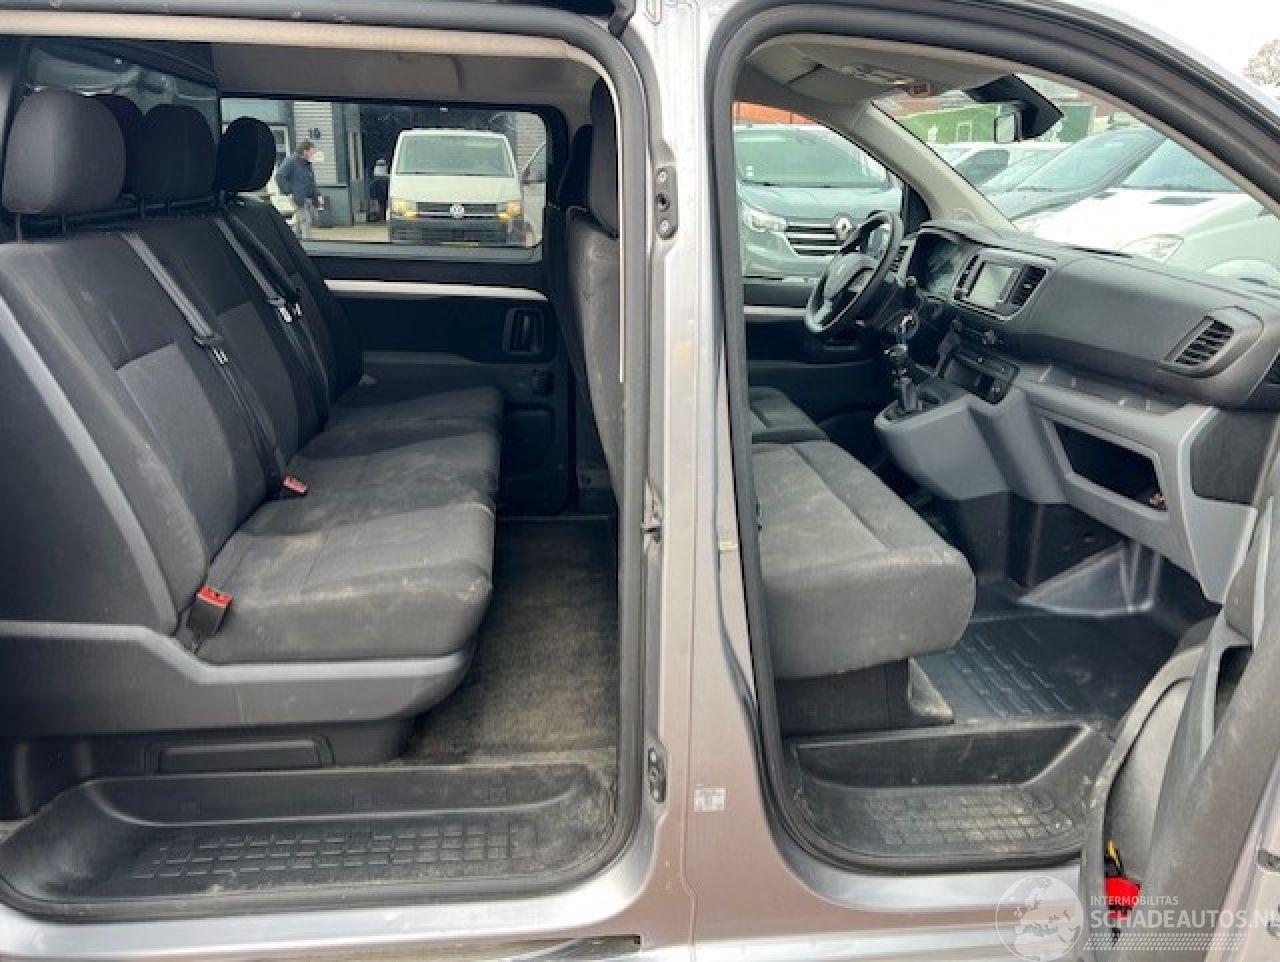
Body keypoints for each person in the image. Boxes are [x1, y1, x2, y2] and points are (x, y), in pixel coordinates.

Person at [274, 141, 324, 238]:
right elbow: (279, 176)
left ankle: (291, 239)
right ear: (305, 151)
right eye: (312, 152)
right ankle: (309, 243)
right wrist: (289, 191)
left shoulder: (308, 164)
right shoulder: (291, 161)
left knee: (299, 222)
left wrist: (318, 195)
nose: (314, 154)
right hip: (297, 197)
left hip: (307, 197)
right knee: (306, 221)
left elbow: (311, 181)